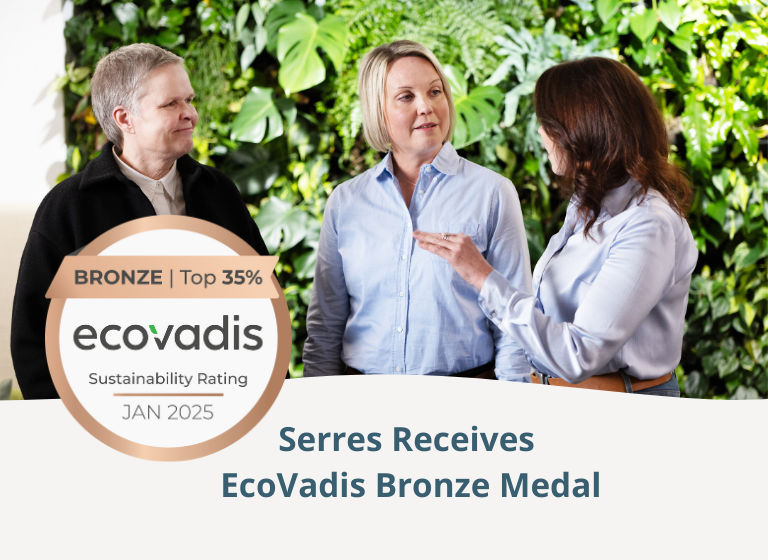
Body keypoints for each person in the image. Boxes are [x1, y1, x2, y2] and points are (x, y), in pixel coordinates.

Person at [414, 57, 698, 396]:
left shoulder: (649, 225)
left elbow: (578, 354)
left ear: (584, 130)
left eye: (548, 123)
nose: (540, 132)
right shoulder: (588, 205)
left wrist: (482, 277)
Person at [11, 43, 269, 399]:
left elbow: (261, 306)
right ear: (124, 119)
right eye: (171, 104)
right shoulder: (67, 208)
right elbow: (34, 342)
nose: (190, 113)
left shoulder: (219, 191)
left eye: (189, 100)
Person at [302, 41, 532, 379]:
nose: (426, 107)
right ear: (377, 109)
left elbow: (513, 320)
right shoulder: (346, 202)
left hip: (466, 400)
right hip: (362, 403)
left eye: (435, 92)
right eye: (406, 97)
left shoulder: (493, 193)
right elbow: (326, 324)